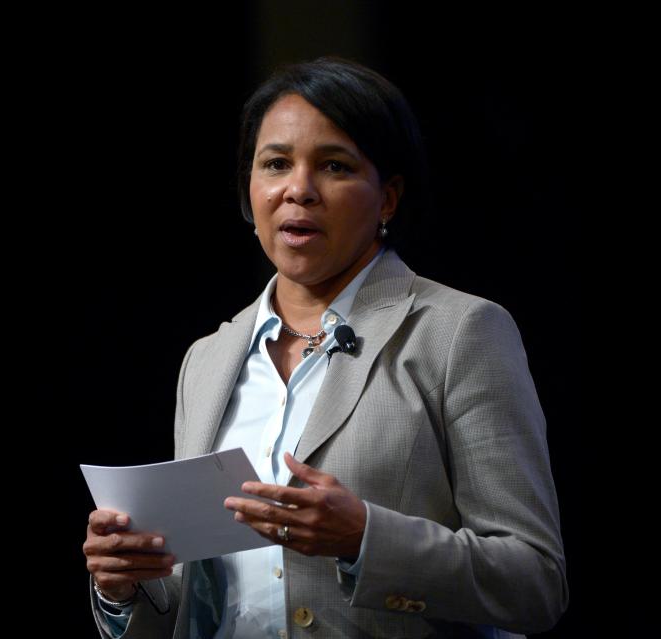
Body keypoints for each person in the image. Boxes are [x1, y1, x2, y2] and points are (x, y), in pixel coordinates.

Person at [82, 56, 568, 639]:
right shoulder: (207, 359)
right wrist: (128, 586)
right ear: (250, 190)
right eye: (276, 164)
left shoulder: (459, 331)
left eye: (334, 165)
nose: (299, 190)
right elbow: (200, 600)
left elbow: (534, 582)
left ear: (387, 199)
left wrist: (365, 539)